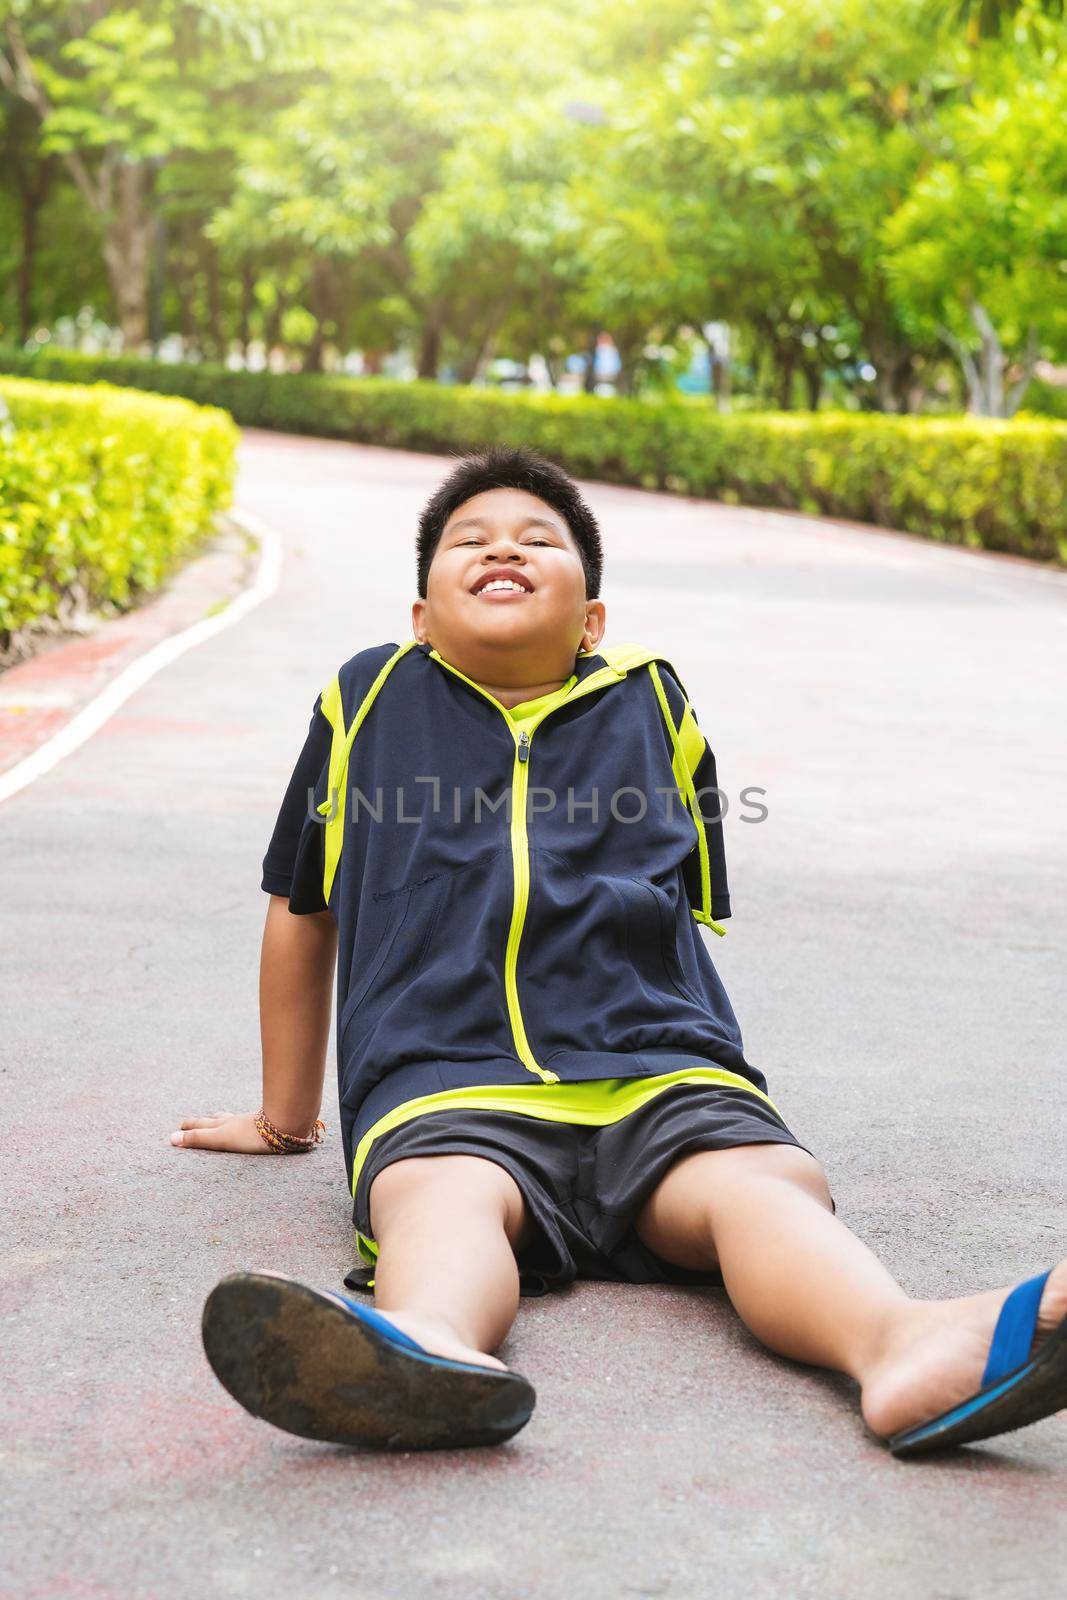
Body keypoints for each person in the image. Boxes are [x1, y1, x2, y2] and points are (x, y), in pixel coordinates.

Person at [173, 445, 1066, 1456]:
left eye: (536, 539)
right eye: (466, 540)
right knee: (441, 1196)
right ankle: (428, 1342)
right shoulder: (365, 701)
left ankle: (896, 1343)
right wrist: (284, 1118)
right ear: (418, 617)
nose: (500, 547)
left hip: (653, 1066)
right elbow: (302, 903)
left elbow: (682, 905)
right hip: (446, 1078)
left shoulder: (654, 706)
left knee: (755, 1184)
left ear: (591, 620)